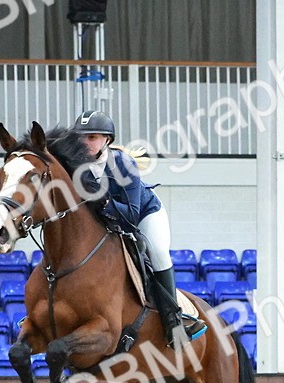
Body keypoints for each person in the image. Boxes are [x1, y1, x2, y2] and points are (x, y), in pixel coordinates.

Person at [71, 110, 205, 348]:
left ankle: (173, 321)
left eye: (92, 137)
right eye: (81, 137)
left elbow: (131, 215)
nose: (85, 143)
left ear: (107, 140)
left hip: (143, 215)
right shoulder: (73, 165)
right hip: (105, 223)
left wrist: (104, 201)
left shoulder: (123, 164)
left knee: (158, 252)